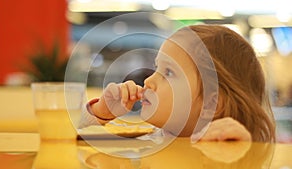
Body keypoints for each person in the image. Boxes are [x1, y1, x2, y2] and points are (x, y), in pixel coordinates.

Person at [83, 24, 275, 142]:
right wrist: (102, 113)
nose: (149, 80)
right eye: (157, 67)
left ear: (211, 103)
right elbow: (69, 142)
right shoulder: (151, 138)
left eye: (168, 72)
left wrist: (239, 152)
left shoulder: (225, 150)